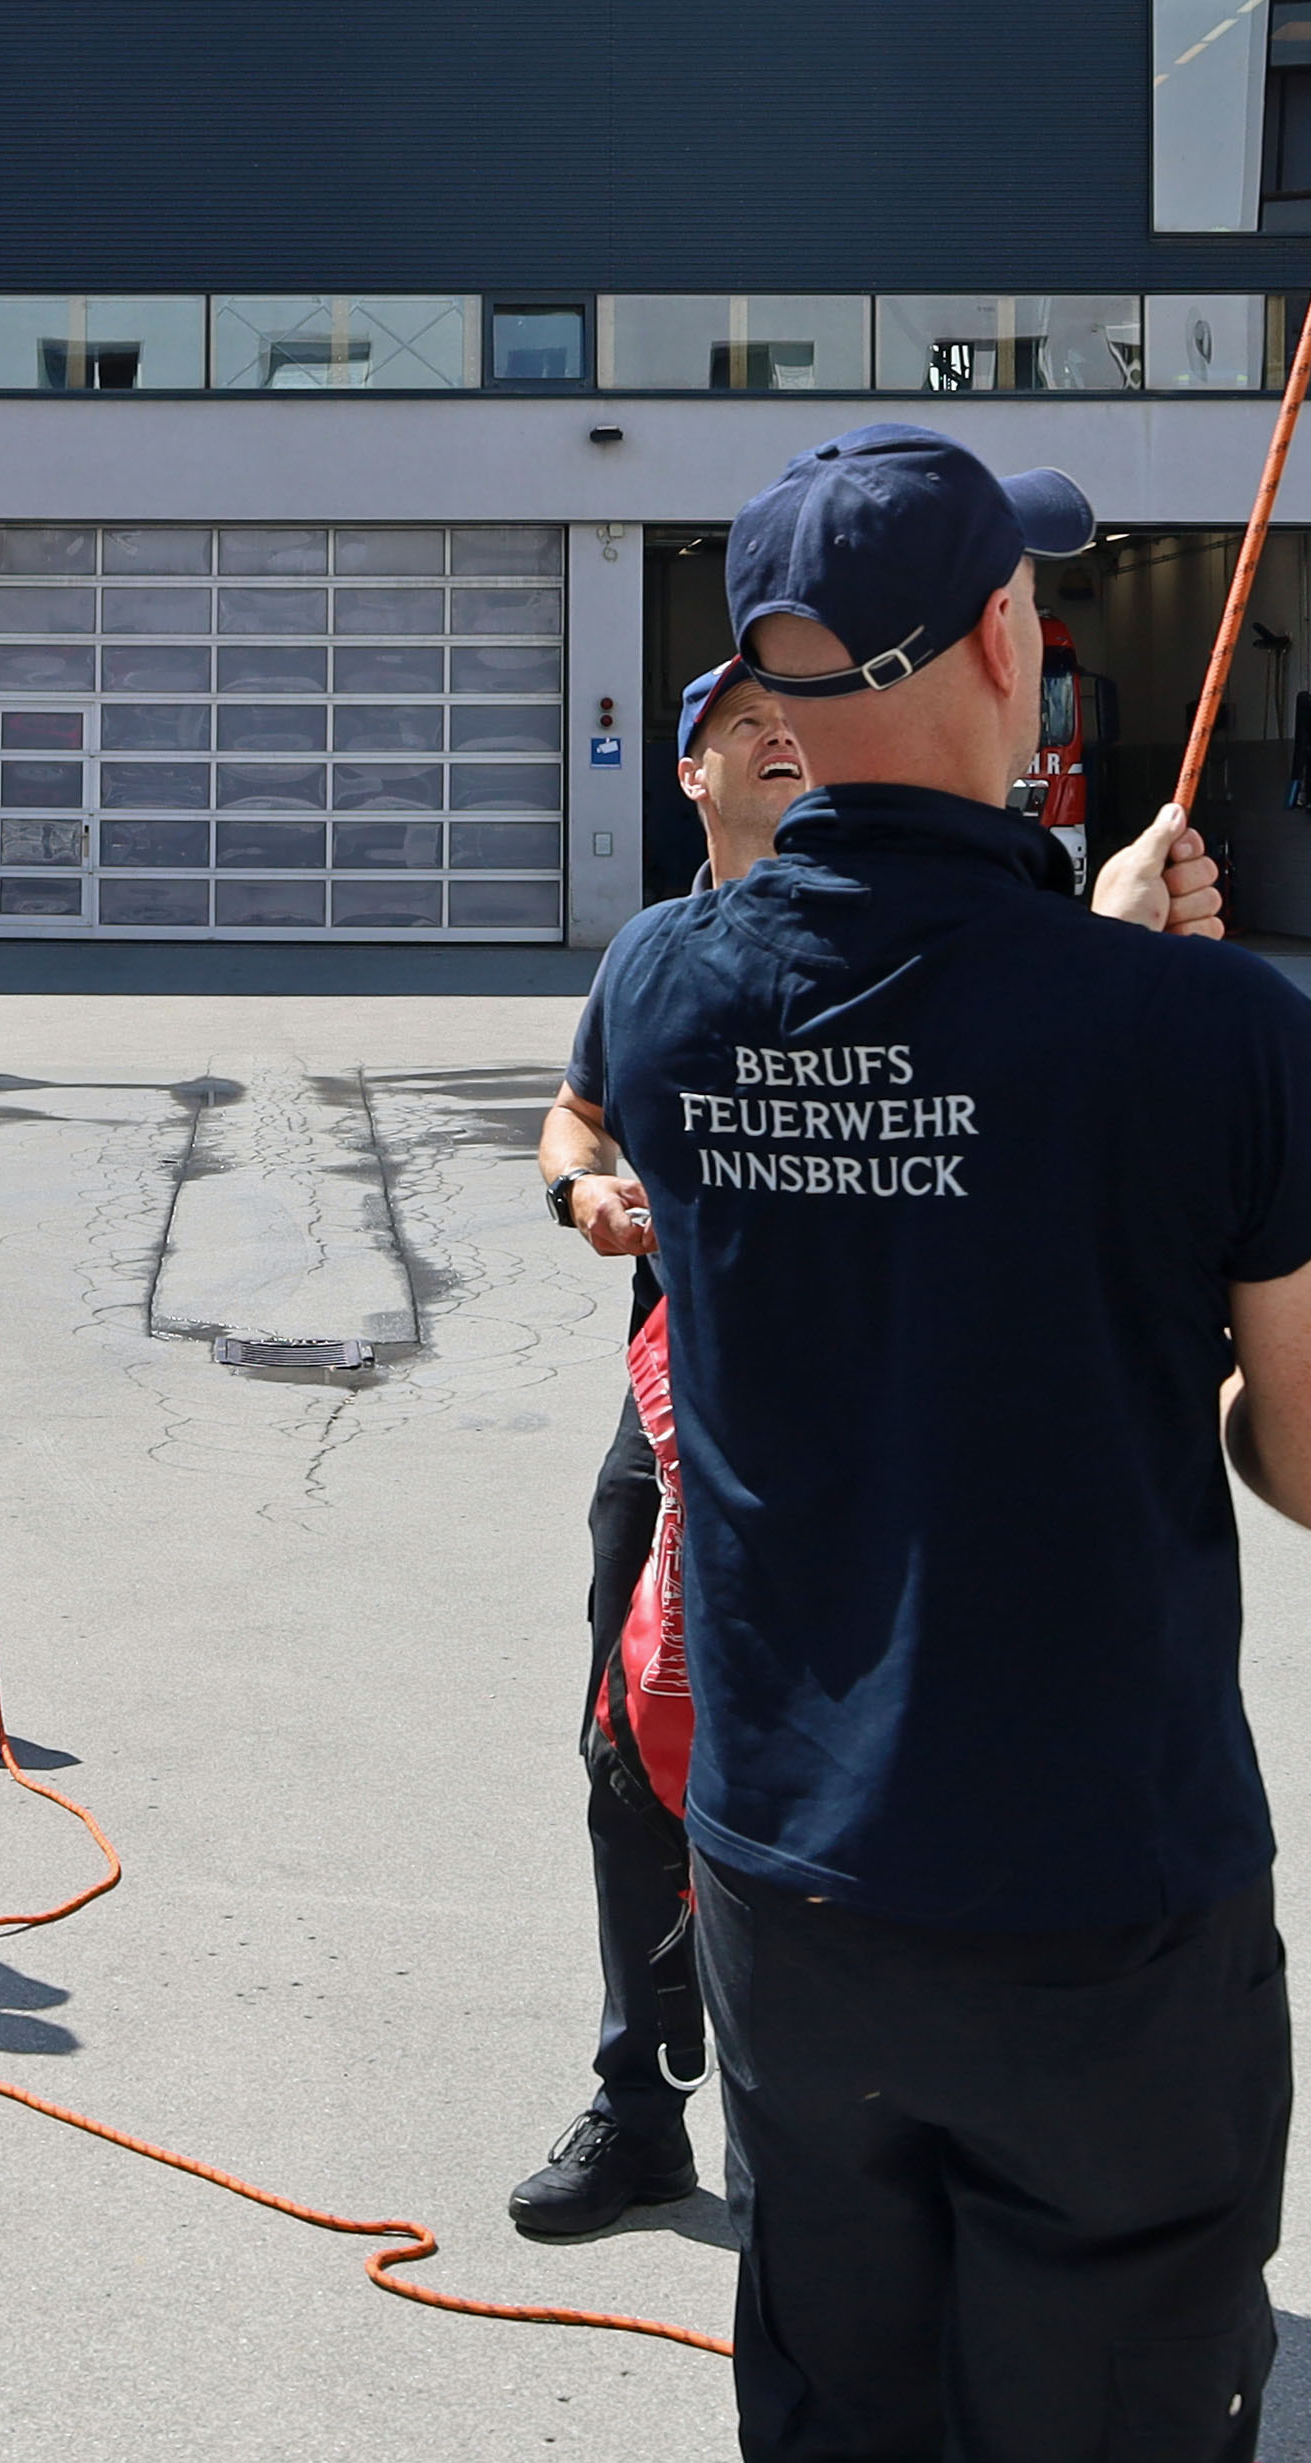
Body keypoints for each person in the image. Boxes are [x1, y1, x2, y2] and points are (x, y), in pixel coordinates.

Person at [588, 426, 1311, 2459]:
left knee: (844, 2402)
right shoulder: (1206, 1043)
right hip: (1095, 1906)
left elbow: (914, 1072)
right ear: (1001, 634)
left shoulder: (663, 996)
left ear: (771, 692)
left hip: (789, 1887)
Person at [510, 660, 810, 2240]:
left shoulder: (881, 940)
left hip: (849, 1424)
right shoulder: (649, 953)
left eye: (796, 710)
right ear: (687, 773)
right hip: (672, 1414)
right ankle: (638, 2105)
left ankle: (815, 2133)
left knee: (830, 1769)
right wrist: (581, 1190)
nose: (776, 729)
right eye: (736, 720)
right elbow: (570, 1115)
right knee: (628, 1752)